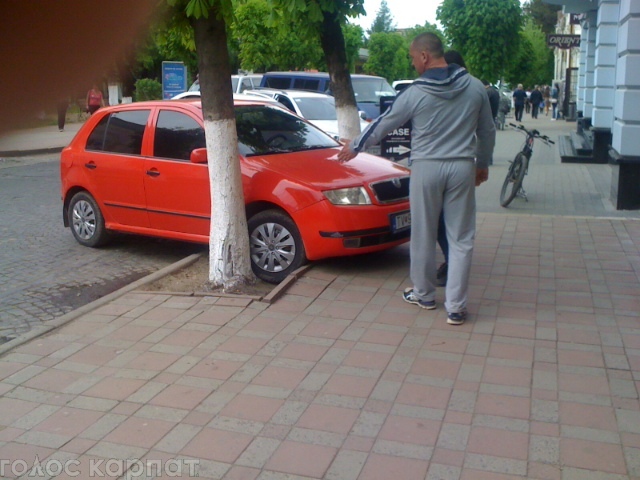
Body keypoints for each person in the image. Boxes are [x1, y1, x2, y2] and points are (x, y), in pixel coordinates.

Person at [337, 33, 496, 325]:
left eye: (412, 57)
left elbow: (386, 122)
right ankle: (456, 307)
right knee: (461, 238)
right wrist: (482, 164)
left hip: (426, 168)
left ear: (425, 56)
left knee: (423, 232)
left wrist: (354, 146)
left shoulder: (415, 92)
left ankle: (424, 295)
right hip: (462, 167)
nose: (412, 63)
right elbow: (487, 131)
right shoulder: (475, 87)